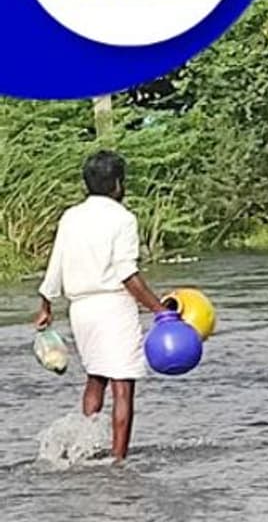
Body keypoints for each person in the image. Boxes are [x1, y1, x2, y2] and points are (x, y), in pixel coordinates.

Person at [33, 151, 168, 462]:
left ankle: (84, 450)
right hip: (112, 308)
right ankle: (119, 461)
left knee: (96, 378)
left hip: (80, 309)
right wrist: (160, 310)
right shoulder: (123, 218)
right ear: (118, 184)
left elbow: (56, 265)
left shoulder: (71, 216)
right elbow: (126, 274)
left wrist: (46, 305)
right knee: (123, 387)